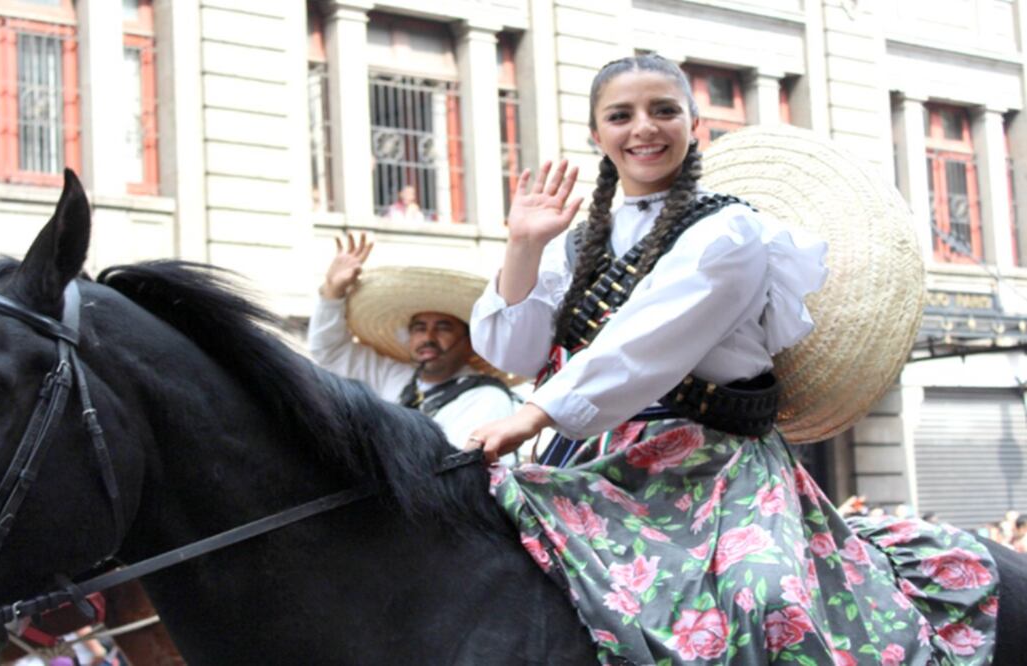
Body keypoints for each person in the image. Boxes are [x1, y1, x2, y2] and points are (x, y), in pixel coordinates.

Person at [466, 54, 998, 664]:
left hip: (714, 467)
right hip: (588, 460)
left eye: (663, 110)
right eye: (621, 115)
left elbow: (646, 339)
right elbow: (514, 351)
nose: (644, 127)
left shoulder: (730, 232)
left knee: (765, 598)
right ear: (597, 134)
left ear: (694, 125)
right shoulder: (580, 242)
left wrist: (532, 415)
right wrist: (523, 245)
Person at [307, 232, 516, 454]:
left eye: (443, 327)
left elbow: (461, 468)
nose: (428, 337)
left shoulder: (486, 398)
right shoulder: (392, 375)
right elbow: (330, 351)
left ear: (470, 342)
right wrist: (333, 291)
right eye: (419, 328)